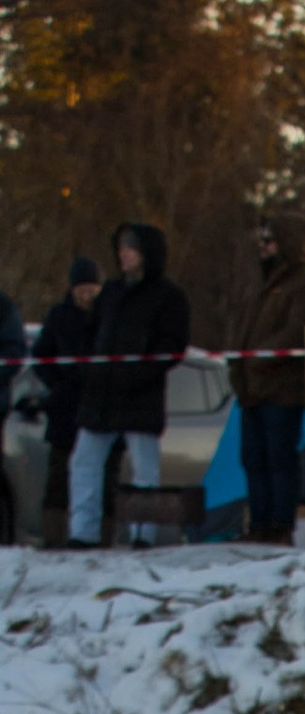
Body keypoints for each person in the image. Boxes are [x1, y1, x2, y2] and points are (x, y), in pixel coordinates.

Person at [69, 223, 189, 549]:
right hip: (101, 393)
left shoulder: (169, 296)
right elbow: (90, 333)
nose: (123, 254)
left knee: (143, 468)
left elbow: (174, 346)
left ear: (146, 253)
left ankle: (142, 535)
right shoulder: (110, 291)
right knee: (84, 461)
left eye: (130, 248)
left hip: (140, 395)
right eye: (120, 247)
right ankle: (83, 532)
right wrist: (90, 370)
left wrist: (139, 373)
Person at [229, 215, 305, 546]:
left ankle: (280, 526)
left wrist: (259, 356)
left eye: (269, 241)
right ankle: (259, 523)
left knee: (279, 459)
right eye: (261, 240)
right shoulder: (262, 284)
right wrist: (240, 362)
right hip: (253, 389)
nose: (263, 247)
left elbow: (297, 333)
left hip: (282, 390)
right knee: (253, 458)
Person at [33, 259, 100, 546]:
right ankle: (54, 539)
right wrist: (56, 385)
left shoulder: (108, 315)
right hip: (64, 410)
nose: (86, 296)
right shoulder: (59, 316)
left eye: (91, 290)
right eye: (81, 290)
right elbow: (40, 356)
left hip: (99, 408)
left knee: (101, 479)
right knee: (59, 478)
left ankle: (99, 538)